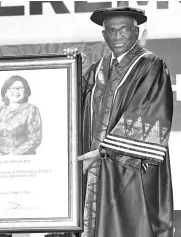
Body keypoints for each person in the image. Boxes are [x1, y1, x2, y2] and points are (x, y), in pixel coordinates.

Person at [66, 7, 174, 237]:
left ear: (136, 32)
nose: (117, 37)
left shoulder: (150, 65)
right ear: (104, 36)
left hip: (129, 168)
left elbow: (148, 112)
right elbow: (74, 108)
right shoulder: (96, 70)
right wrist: (70, 69)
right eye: (111, 31)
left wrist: (103, 151)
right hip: (94, 166)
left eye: (124, 30)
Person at [0, 75, 42, 156]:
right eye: (12, 88)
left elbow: (34, 139)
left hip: (21, 160)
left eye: (20, 88)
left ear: (26, 92)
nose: (16, 91)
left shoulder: (31, 110)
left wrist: (11, 156)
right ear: (6, 91)